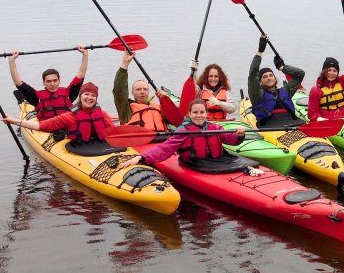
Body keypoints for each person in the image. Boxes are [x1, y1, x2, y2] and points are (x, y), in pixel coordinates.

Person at [119, 98, 248, 172]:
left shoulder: (213, 127)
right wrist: (141, 157)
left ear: (206, 113)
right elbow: (165, 148)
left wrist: (239, 135)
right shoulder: (183, 131)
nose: (199, 115)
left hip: (219, 161)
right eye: (195, 112)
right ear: (189, 114)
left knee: (250, 163)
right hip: (196, 164)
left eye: (202, 112)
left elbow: (231, 140)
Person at [2, 82, 113, 146]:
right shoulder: (69, 116)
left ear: (96, 98)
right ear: (80, 96)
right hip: (78, 148)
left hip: (100, 145)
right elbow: (41, 126)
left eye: (93, 96)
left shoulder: (102, 114)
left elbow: (115, 131)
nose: (90, 98)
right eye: (86, 94)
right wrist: (15, 121)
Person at [8, 45, 88, 121]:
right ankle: (24, 103)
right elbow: (18, 82)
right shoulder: (36, 97)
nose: (52, 84)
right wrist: (12, 61)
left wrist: (85, 54)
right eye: (49, 81)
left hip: (65, 126)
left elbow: (80, 75)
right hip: (45, 128)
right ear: (44, 82)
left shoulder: (69, 94)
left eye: (55, 80)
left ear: (59, 80)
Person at [248, 35, 305, 127]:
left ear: (275, 78)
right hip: (270, 127)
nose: (269, 78)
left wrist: (282, 67)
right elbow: (253, 75)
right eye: (265, 77)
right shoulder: (257, 94)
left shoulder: (285, 91)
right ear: (260, 82)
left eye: (271, 75)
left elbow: (300, 74)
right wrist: (260, 51)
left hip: (291, 124)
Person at [112, 50, 168, 131]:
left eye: (145, 89)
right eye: (138, 89)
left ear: (148, 92)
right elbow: (119, 90)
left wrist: (166, 100)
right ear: (132, 93)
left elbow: (175, 119)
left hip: (161, 139)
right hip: (138, 141)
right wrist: (125, 63)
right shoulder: (125, 108)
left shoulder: (158, 107)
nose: (142, 91)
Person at [307, 49, 344, 121]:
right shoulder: (316, 90)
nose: (331, 73)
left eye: (334, 71)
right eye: (329, 70)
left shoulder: (342, 82)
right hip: (328, 121)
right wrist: (320, 119)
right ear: (323, 71)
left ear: (337, 73)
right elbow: (312, 113)